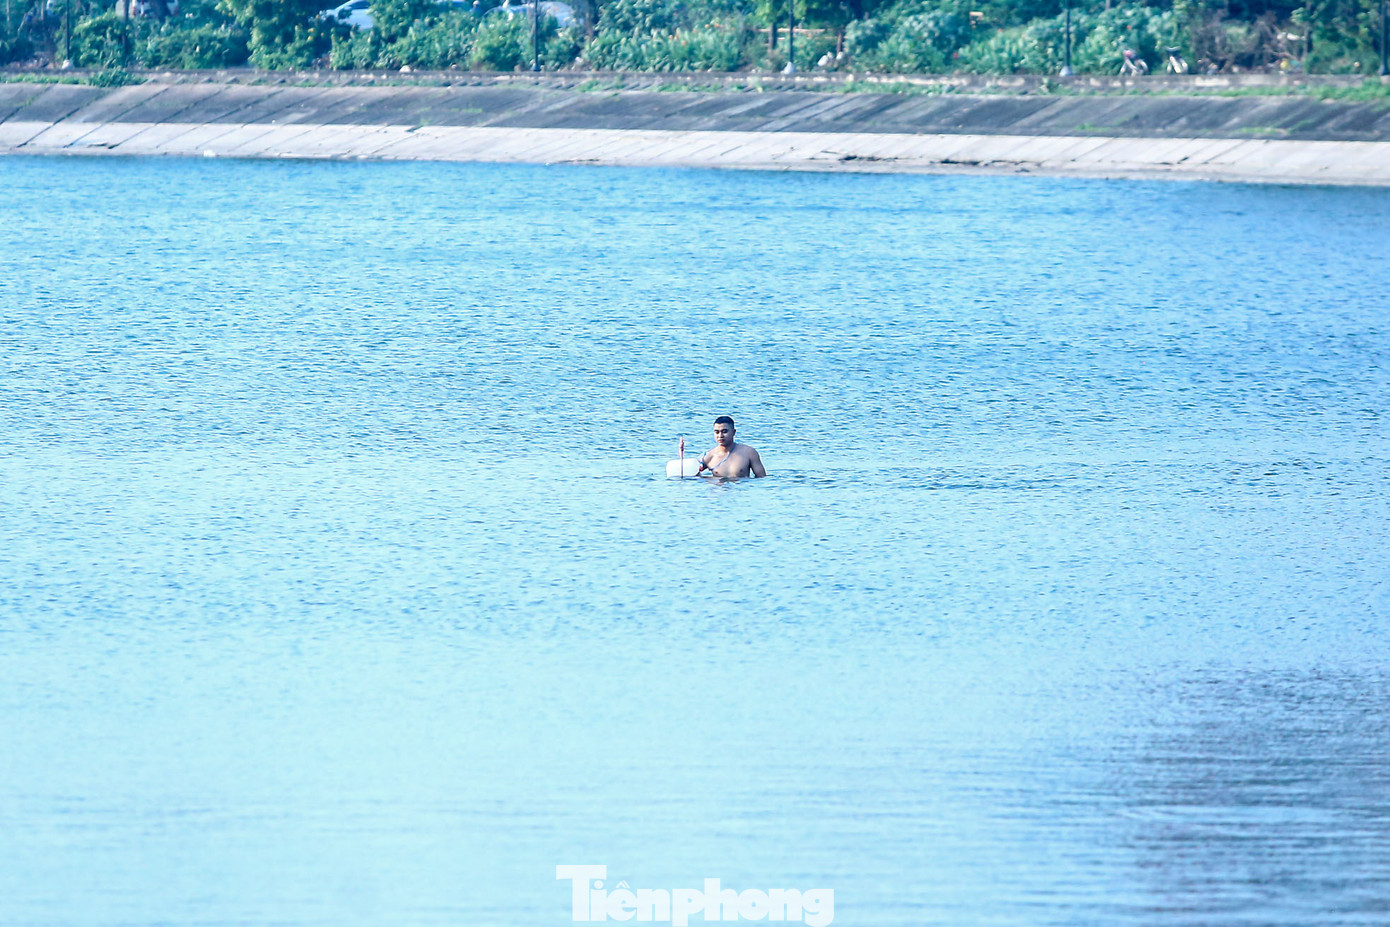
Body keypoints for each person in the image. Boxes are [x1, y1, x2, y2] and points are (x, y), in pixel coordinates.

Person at [696, 415, 766, 479]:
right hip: (719, 491)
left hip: (742, 490)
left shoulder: (749, 453)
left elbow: (762, 479)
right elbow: (691, 476)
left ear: (734, 432)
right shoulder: (709, 456)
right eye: (717, 432)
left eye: (724, 431)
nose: (720, 436)